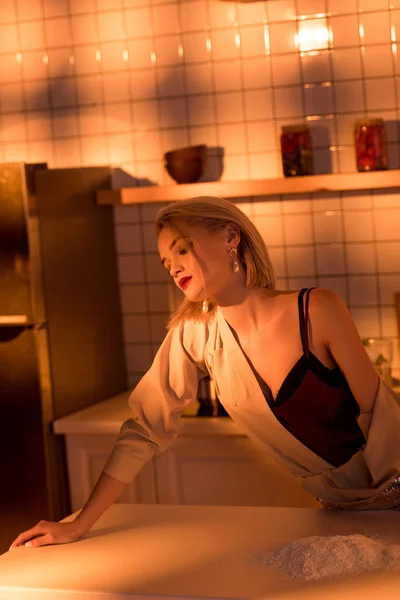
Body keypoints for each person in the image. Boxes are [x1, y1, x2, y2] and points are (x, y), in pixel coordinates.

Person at [10, 195, 400, 550]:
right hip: (341, 514)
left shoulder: (317, 309)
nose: (173, 267)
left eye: (181, 248)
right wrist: (79, 524)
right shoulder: (195, 333)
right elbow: (145, 428)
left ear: (231, 235)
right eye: (166, 261)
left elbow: (384, 416)